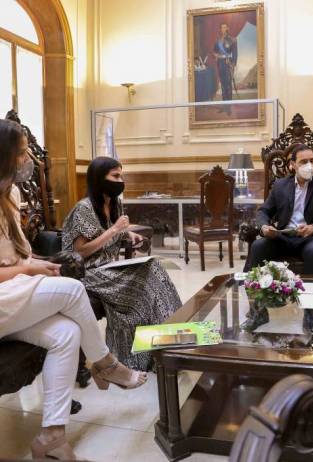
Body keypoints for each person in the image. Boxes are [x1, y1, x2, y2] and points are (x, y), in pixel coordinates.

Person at [0, 119, 146, 460]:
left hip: (12, 294)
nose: (28, 161)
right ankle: (106, 364)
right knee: (72, 290)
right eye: (22, 153)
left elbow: (15, 256)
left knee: (67, 333)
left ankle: (52, 435)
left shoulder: (11, 195)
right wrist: (31, 269)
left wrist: (37, 263)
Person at [62, 157, 182, 371]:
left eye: (121, 176)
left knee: (155, 272)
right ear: (99, 178)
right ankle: (154, 352)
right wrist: (115, 230)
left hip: (108, 269)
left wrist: (128, 235)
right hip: (87, 273)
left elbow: (111, 233)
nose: (120, 181)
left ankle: (172, 346)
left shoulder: (114, 203)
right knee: (148, 276)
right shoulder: (84, 208)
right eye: (115, 176)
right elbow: (79, 252)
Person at [244, 143, 313, 276]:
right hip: (282, 237)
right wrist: (264, 227)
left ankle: (312, 287)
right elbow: (263, 211)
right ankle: (256, 285)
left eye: (312, 161)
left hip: (310, 238)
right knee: (258, 246)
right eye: (304, 162)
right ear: (293, 165)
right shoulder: (280, 185)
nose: (309, 165)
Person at [213, 22, 237, 114]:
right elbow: (214, 51)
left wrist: (232, 64)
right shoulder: (218, 41)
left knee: (228, 86)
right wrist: (216, 55)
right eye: (221, 27)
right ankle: (224, 106)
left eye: (224, 27)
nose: (223, 29)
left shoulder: (232, 40)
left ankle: (228, 107)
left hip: (228, 64)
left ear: (227, 28)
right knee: (223, 86)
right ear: (220, 29)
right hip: (220, 64)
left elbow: (235, 54)